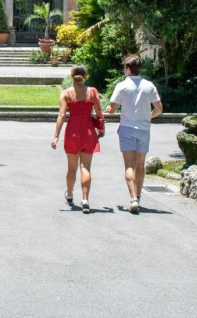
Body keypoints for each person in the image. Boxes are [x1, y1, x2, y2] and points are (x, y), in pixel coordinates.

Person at [106, 54, 163, 214]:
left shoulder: (122, 86)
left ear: (128, 68)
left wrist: (107, 110)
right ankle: (138, 194)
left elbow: (112, 109)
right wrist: (147, 117)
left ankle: (133, 199)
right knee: (140, 165)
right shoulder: (149, 86)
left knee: (129, 165)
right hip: (144, 129)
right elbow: (159, 109)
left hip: (127, 129)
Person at [51, 65, 105, 214]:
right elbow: (99, 112)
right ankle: (85, 199)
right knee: (85, 167)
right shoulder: (92, 92)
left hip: (72, 133)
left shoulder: (66, 93)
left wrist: (56, 136)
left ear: (71, 76)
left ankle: (69, 194)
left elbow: (61, 116)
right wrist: (101, 128)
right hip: (88, 132)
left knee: (72, 167)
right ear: (85, 76)